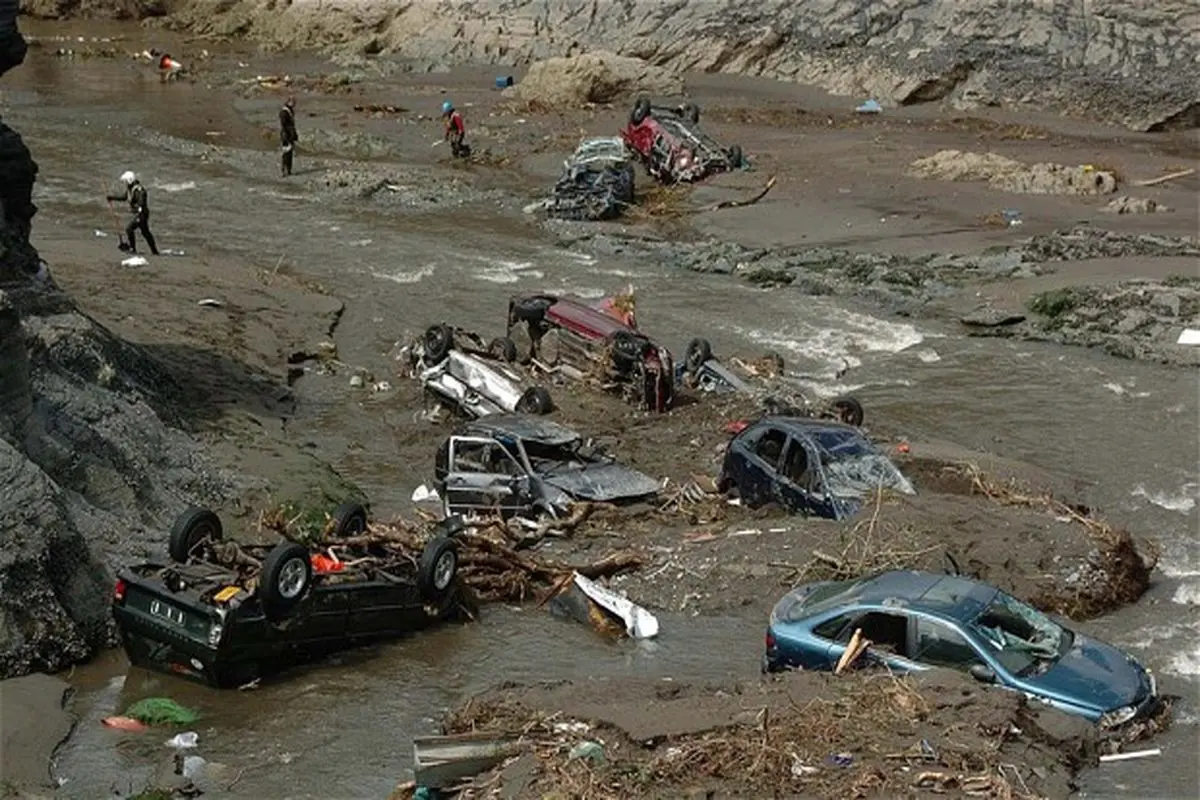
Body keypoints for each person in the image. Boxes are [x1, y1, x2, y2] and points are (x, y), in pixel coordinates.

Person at [106, 170, 158, 255]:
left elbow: (142, 199)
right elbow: (124, 197)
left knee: (129, 229)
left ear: (129, 180)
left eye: (126, 181)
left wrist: (138, 207)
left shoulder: (139, 189)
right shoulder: (130, 189)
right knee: (145, 233)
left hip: (142, 214)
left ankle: (133, 248)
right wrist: (112, 198)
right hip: (140, 214)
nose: (125, 183)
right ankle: (154, 251)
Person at [279, 96, 298, 177]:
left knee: (290, 153)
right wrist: (286, 135)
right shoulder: (284, 112)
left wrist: (294, 134)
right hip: (286, 134)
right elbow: (284, 125)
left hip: (290, 134)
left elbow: (292, 124)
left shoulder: (290, 111)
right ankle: (283, 170)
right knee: (286, 153)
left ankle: (289, 170)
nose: (295, 104)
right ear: (289, 102)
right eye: (293, 102)